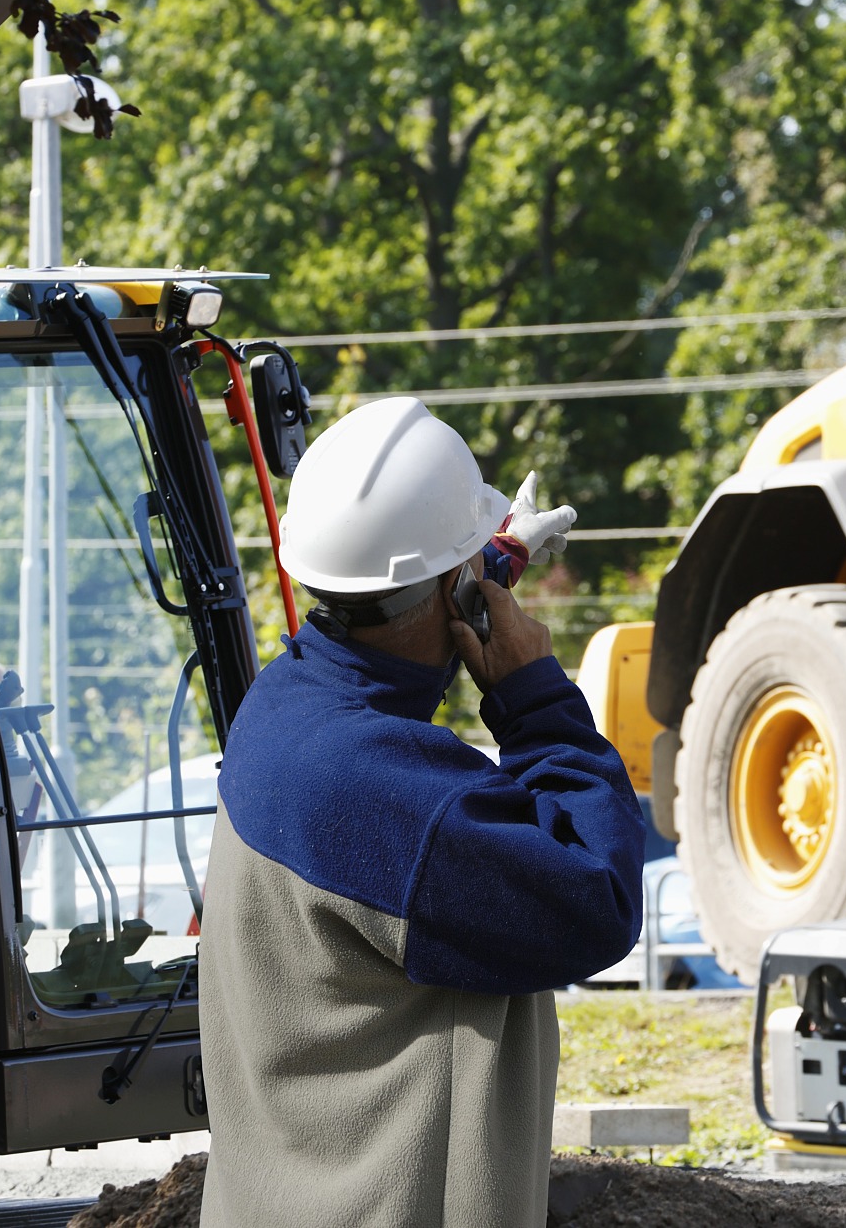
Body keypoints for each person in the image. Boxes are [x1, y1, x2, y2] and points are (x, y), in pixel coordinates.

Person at [197, 397, 647, 1228]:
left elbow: (397, 613)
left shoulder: (282, 709)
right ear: (449, 591)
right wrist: (534, 698)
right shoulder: (398, 795)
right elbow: (600, 895)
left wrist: (485, 567)